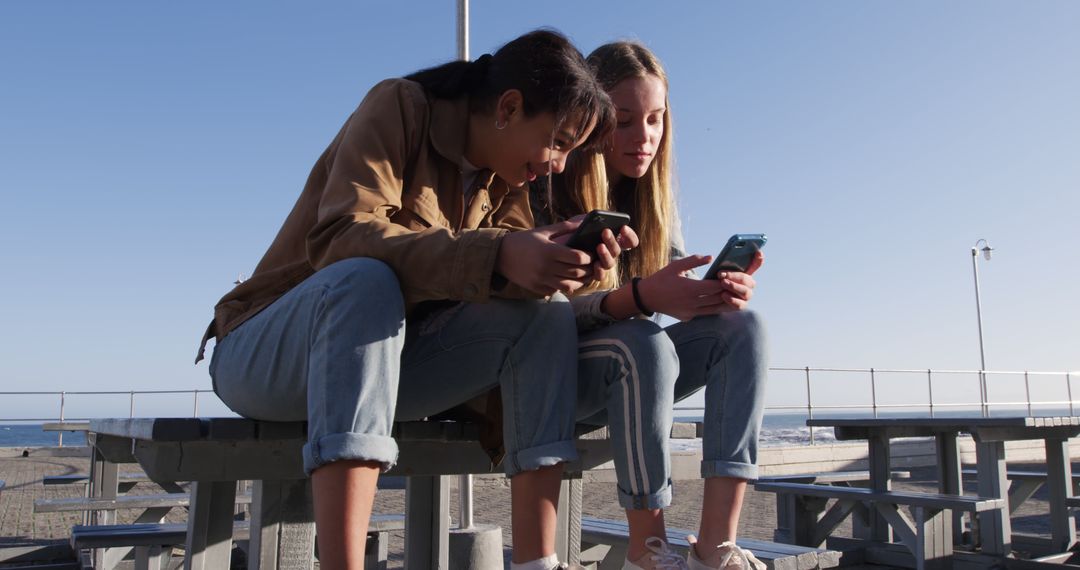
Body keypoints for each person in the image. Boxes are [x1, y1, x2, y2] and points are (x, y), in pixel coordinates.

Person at [197, 30, 631, 570]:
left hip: (386, 367)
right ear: (510, 106)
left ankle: (537, 562)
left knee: (546, 313)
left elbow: (499, 282)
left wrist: (563, 265)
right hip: (265, 352)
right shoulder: (400, 106)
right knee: (365, 280)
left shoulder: (506, 185)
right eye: (559, 142)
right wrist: (498, 255)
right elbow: (340, 238)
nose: (560, 165)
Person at [532, 41, 768, 570]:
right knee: (641, 341)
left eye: (656, 120)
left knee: (743, 327)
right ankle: (649, 551)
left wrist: (711, 294)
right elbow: (534, 317)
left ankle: (717, 549)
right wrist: (636, 298)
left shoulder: (653, 203)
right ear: (591, 117)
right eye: (626, 120)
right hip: (556, 375)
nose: (644, 138)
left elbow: (670, 291)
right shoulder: (546, 183)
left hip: (635, 372)